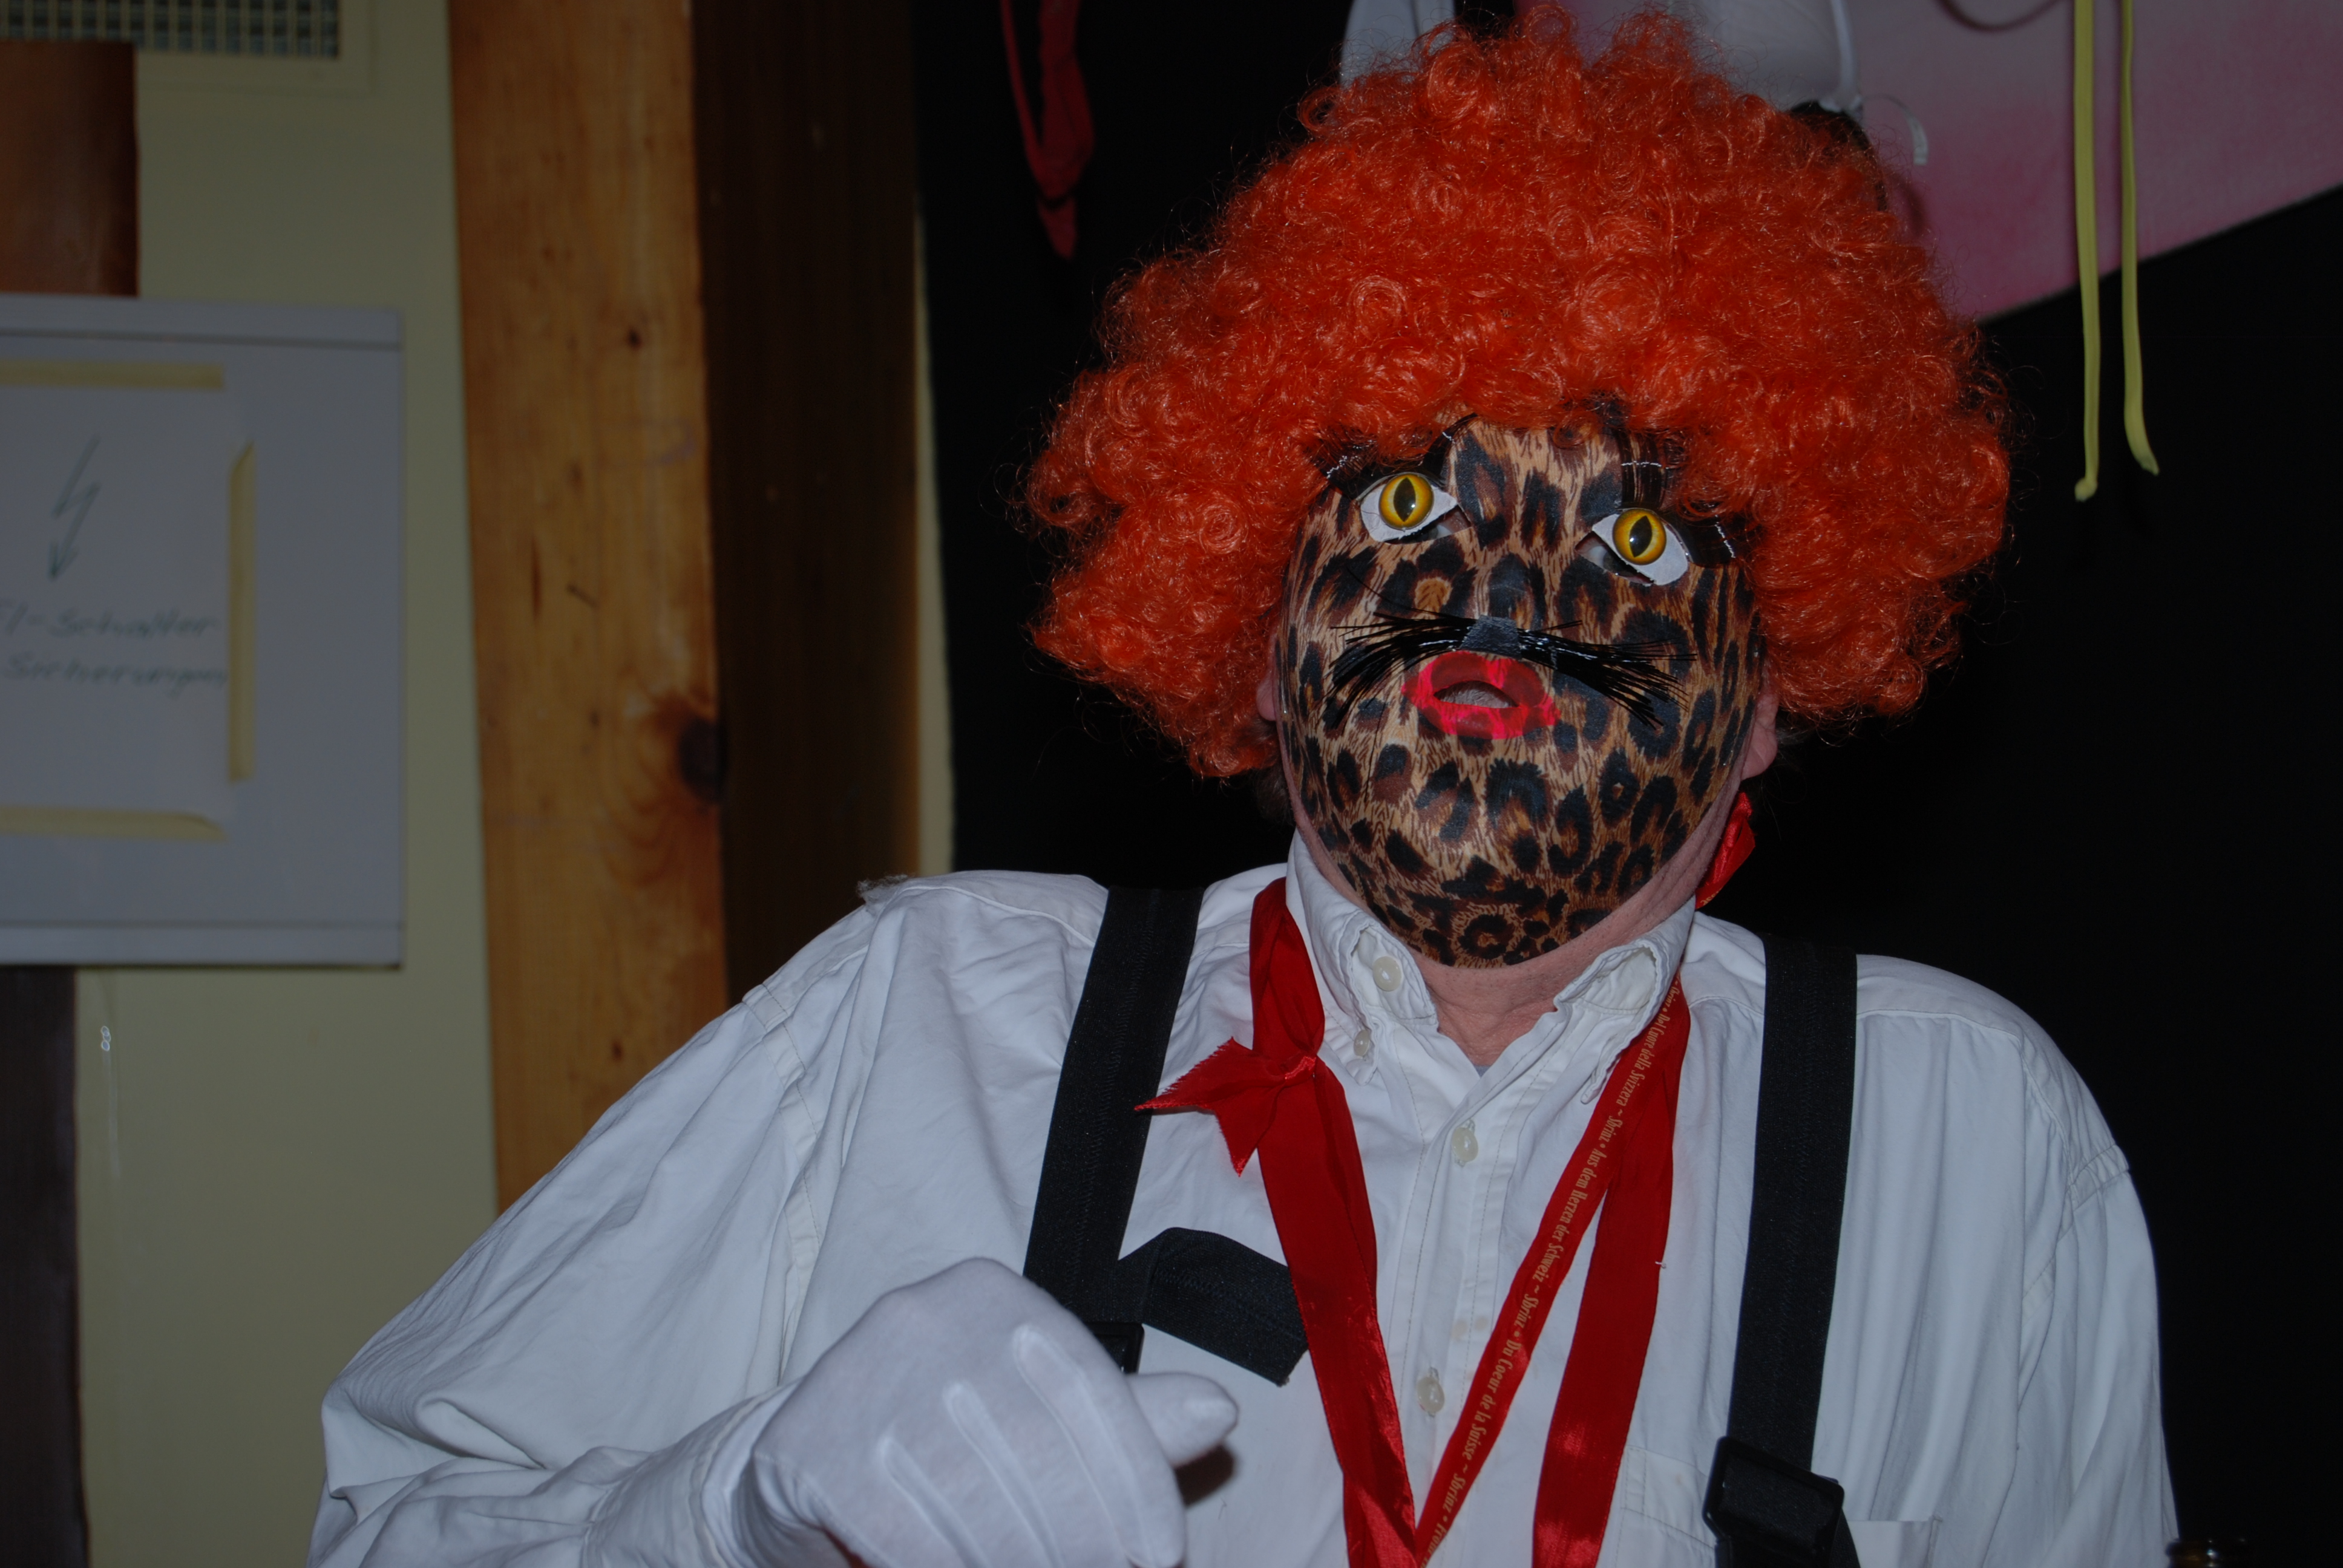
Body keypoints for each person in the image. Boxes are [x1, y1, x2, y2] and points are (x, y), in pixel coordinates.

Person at [308, 16, 2173, 1567]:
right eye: (1410, 502)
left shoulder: (1967, 1141)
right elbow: (384, 1520)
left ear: (1774, 695)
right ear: (1257, 641)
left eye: (1632, 534)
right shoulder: (923, 1023)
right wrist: (738, 1514)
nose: (1500, 601)